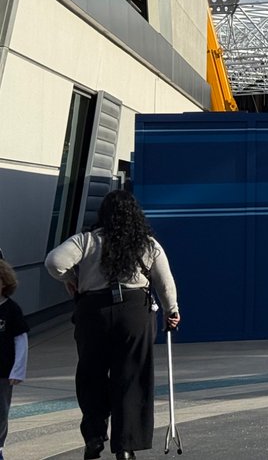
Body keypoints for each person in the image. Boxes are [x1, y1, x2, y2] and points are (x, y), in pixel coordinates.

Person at [45, 190, 180, 460]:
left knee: (91, 374)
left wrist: (71, 278)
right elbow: (165, 282)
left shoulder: (86, 241)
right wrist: (171, 311)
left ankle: (94, 436)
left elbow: (54, 261)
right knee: (132, 377)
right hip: (134, 313)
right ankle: (126, 445)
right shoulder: (147, 243)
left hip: (93, 311)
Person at [0, 259, 29, 460]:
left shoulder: (12, 309)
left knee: (1, 412)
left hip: (2, 371)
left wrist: (18, 370)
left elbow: (21, 341)